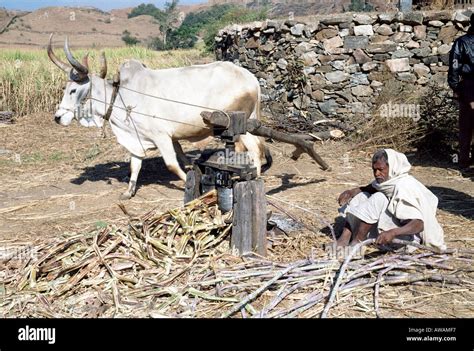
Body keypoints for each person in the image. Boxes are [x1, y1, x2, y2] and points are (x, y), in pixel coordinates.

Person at [336, 149, 446, 251]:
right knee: (362, 196)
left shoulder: (404, 186)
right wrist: (350, 192)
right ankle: (344, 238)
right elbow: (368, 188)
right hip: (387, 232)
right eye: (374, 170)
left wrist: (393, 232)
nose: (376, 174)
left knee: (379, 198)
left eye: (381, 169)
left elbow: (419, 224)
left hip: (405, 238)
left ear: (393, 167)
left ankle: (357, 245)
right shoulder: (386, 183)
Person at [448, 14, 474, 170]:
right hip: (469, 87)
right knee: (466, 126)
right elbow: (454, 69)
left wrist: (457, 88)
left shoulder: (461, 42)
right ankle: (464, 160)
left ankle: (465, 161)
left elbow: (453, 70)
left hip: (467, 88)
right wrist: (459, 89)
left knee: (466, 126)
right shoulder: (462, 43)